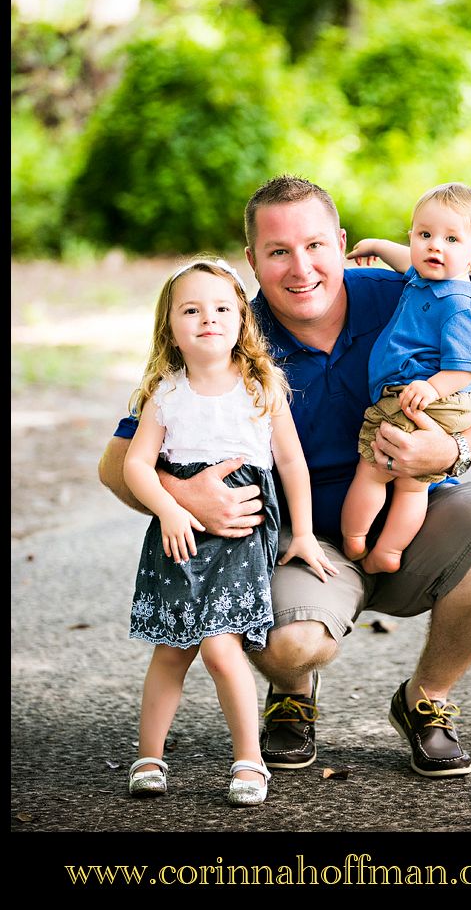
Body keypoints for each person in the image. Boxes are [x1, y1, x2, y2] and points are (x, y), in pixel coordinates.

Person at [99, 176, 471, 780]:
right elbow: (114, 463)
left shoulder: (412, 294)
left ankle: (425, 699)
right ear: (252, 261)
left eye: (314, 246)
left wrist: (450, 449)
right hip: (294, 547)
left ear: (341, 242)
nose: (300, 268)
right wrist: (182, 495)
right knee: (290, 644)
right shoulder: (228, 331)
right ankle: (293, 693)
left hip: (412, 518)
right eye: (278, 252)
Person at [122, 256, 337, 806]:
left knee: (220, 649)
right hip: (180, 533)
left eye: (221, 308)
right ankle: (149, 755)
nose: (208, 319)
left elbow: (291, 465)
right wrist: (169, 508)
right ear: (169, 326)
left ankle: (249, 760)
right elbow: (136, 467)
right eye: (191, 310)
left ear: (242, 319)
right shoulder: (165, 392)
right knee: (171, 650)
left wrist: (304, 534)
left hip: (241, 533)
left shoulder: (261, 386)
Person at [341, 182, 471, 576]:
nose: (434, 247)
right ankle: (389, 551)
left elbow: (469, 365)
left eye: (451, 239)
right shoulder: (428, 279)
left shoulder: (459, 304)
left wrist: (431, 386)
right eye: (424, 235)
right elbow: (407, 260)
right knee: (413, 483)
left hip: (428, 395)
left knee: (375, 469)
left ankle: (354, 540)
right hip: (426, 395)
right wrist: (376, 244)